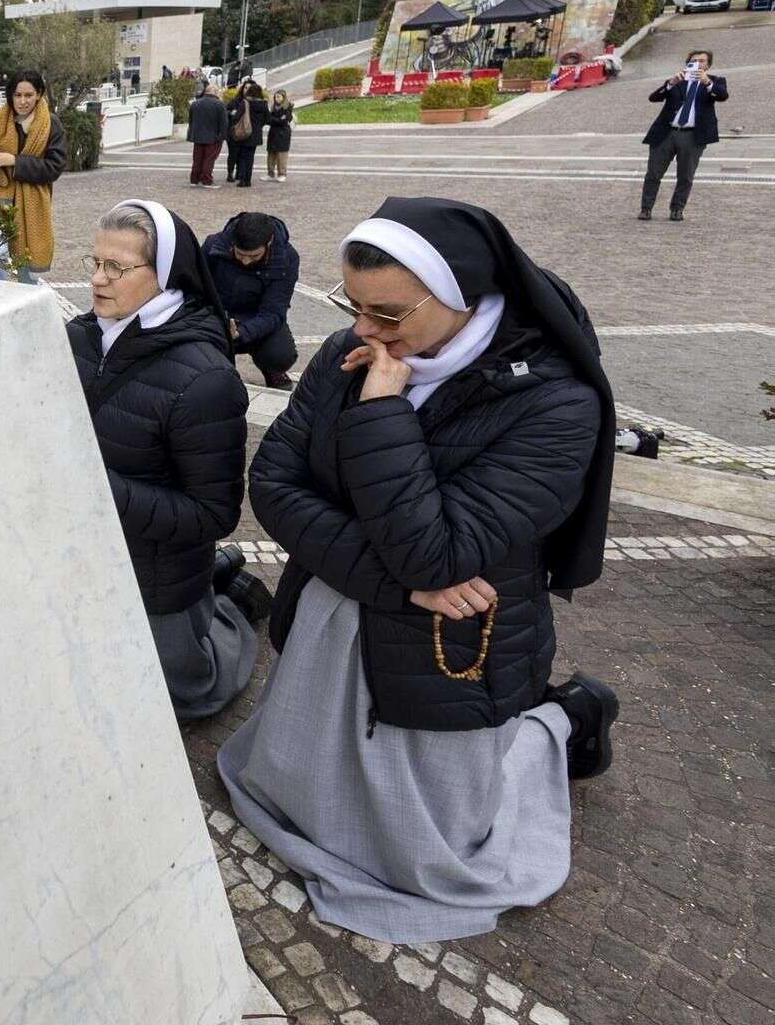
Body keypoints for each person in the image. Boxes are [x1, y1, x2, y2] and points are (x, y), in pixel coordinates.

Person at [219, 197, 620, 945]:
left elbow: (434, 554)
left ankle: (569, 717)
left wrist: (381, 411)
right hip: (366, 610)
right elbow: (273, 485)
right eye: (354, 305)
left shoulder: (557, 405)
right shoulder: (351, 346)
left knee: (422, 837)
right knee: (302, 773)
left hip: (449, 650)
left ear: (462, 299)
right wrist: (393, 581)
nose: (364, 330)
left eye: (390, 314)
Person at [69, 199, 256, 718]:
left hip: (157, 574)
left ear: (166, 274)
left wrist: (101, 489)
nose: (98, 280)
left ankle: (227, 607)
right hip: (85, 555)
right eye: (95, 263)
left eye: (117, 268)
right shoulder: (78, 337)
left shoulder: (205, 381)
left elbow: (213, 514)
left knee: (187, 697)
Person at [0, 70, 65, 283]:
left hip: (31, 204)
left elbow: (54, 167)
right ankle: (2, 299)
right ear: (11, 95)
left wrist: (15, 161)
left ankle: (27, 304)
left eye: (28, 95)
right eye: (18, 95)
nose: (22, 101)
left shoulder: (50, 124)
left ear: (39, 94)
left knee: (25, 267)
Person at [204, 211, 299, 390]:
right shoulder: (213, 246)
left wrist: (241, 331)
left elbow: (274, 312)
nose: (246, 261)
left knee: (279, 355)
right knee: (211, 365)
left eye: (254, 256)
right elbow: (197, 289)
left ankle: (272, 370)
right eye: (240, 254)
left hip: (258, 317)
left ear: (269, 242)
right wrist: (216, 320)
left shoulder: (287, 258)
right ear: (233, 242)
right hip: (218, 314)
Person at [639, 49, 728, 221]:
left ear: (708, 65)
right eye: (694, 60)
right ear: (688, 63)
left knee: (685, 176)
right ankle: (646, 208)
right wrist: (671, 83)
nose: (698, 63)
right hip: (666, 132)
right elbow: (654, 98)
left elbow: (723, 96)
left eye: (702, 61)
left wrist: (707, 83)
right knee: (653, 174)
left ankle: (677, 209)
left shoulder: (715, 81)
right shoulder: (678, 80)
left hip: (692, 136)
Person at [226, 80, 268, 187]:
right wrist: (258, 125)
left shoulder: (246, 103)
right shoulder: (263, 104)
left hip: (245, 133)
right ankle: (248, 180)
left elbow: (236, 117)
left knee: (243, 157)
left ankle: (243, 180)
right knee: (251, 157)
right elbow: (268, 119)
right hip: (256, 135)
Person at [187, 80, 227, 188]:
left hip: (197, 136)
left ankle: (194, 180)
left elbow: (190, 120)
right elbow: (224, 123)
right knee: (209, 160)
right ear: (215, 92)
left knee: (197, 159)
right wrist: (222, 136)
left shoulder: (195, 103)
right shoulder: (219, 104)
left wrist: (191, 134)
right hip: (213, 138)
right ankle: (207, 180)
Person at [264, 88, 294, 181]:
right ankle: (270, 173)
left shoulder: (287, 108)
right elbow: (269, 120)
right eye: (275, 97)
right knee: (271, 155)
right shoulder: (273, 108)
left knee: (281, 155)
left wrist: (275, 120)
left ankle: (282, 174)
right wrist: (277, 120)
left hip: (283, 134)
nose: (276, 98)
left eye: (279, 96)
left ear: (283, 97)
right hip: (273, 134)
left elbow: (284, 121)